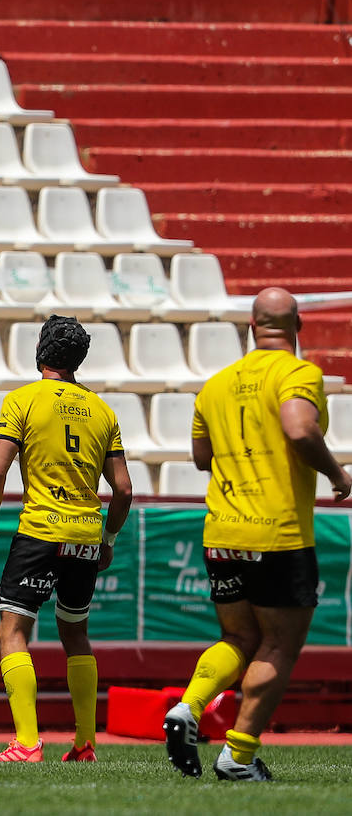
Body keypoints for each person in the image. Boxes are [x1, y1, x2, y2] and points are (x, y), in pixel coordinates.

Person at [164, 288, 352, 781]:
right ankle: (238, 757)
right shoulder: (298, 373)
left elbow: (202, 457)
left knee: (237, 636)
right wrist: (337, 474)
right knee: (278, 646)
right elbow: (298, 428)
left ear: (251, 327)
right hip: (279, 534)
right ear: (298, 328)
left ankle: (189, 706)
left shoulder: (216, 385)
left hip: (222, 531)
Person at [0, 315, 132, 764]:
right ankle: (85, 744)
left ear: (41, 352)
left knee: (13, 631)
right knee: (75, 633)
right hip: (85, 535)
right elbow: (123, 489)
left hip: (41, 530)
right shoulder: (103, 411)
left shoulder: (23, 401)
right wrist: (109, 540)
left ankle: (27, 743)